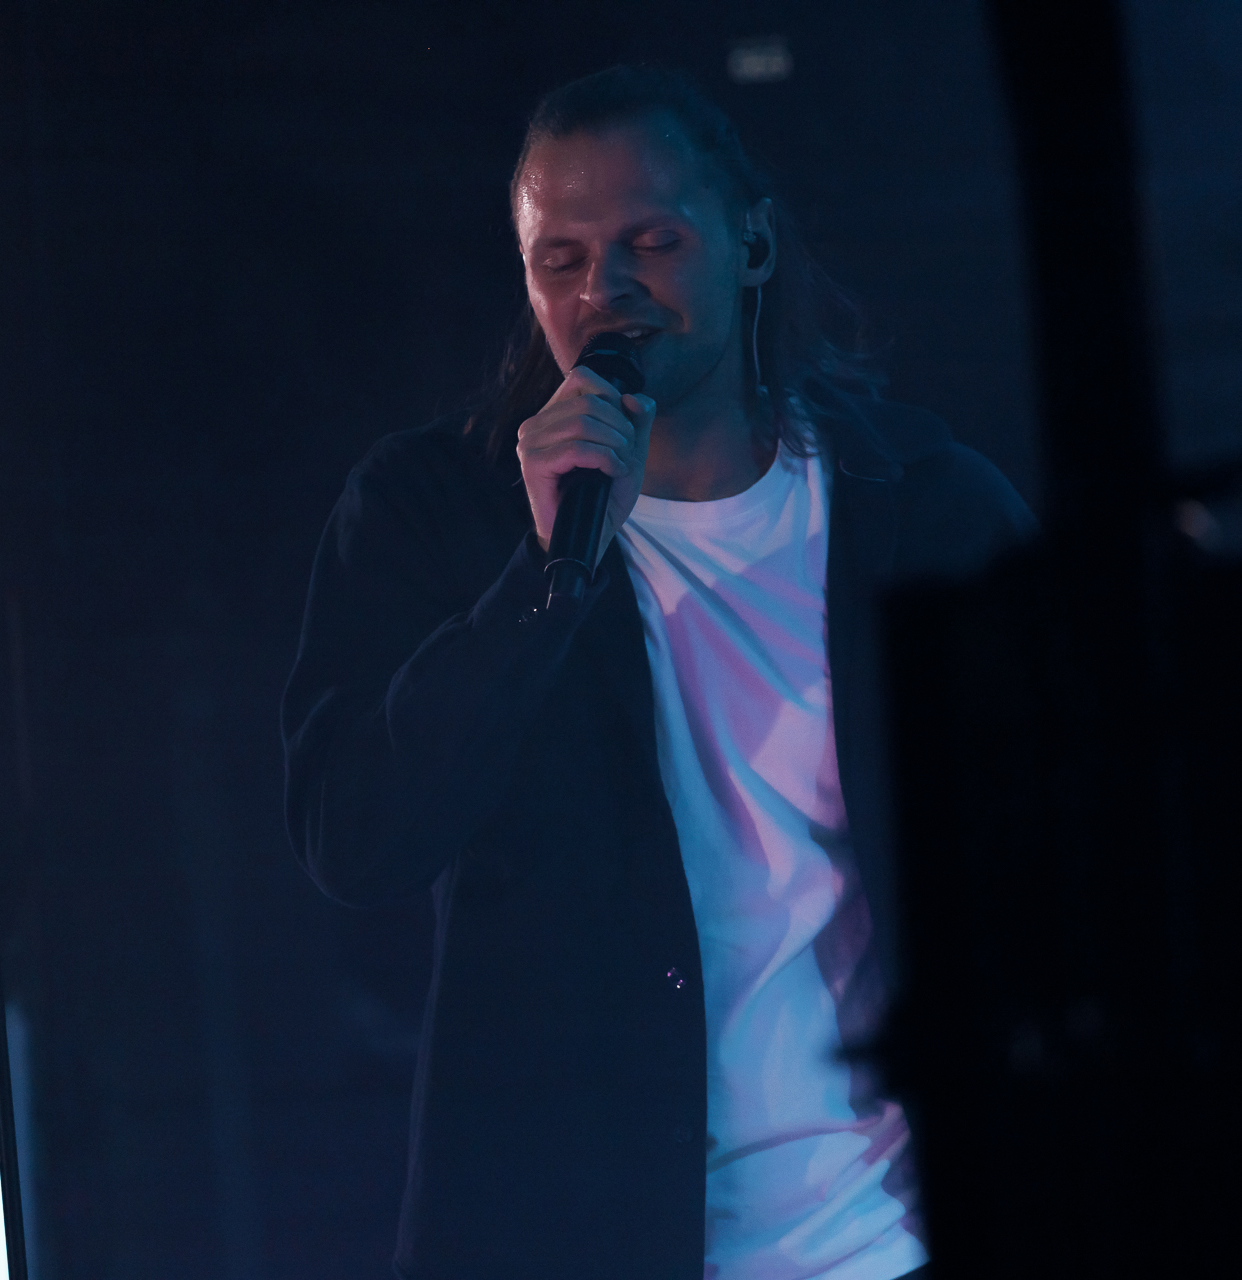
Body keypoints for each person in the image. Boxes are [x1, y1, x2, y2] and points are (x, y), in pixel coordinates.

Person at [282, 65, 1033, 1280]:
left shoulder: (927, 506)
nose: (606, 290)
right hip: (591, 1234)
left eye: (651, 240)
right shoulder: (432, 513)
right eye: (562, 258)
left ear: (752, 244)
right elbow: (355, 837)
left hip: (894, 1234)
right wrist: (543, 578)